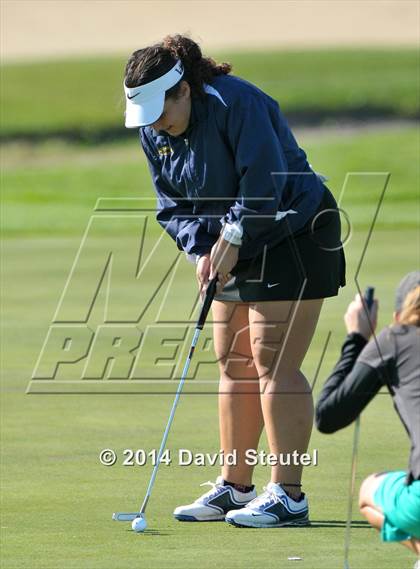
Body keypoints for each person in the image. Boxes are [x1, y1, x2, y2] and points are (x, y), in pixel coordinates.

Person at [124, 34, 346, 528]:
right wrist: (201, 247)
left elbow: (265, 179)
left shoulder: (235, 102)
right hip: (233, 238)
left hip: (295, 231)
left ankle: (288, 495)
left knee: (273, 361)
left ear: (184, 89)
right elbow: (173, 205)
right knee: (234, 360)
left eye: (163, 110)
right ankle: (234, 486)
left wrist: (234, 234)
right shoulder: (154, 127)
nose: (156, 123)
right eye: (148, 116)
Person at [316, 272, 420, 565]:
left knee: (369, 490)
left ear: (400, 314)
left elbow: (327, 415)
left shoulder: (396, 337)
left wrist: (357, 338)